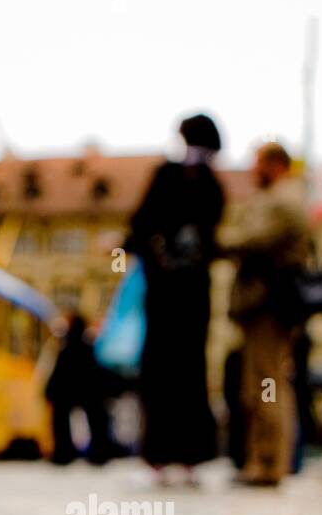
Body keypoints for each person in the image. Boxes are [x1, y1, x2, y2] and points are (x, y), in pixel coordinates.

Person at [126, 114, 225, 484]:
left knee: (168, 374)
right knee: (183, 374)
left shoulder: (174, 178)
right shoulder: (209, 183)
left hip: (173, 293)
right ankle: (183, 459)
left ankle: (166, 458)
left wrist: (128, 247)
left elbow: (141, 225)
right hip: (187, 294)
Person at [222, 142, 312, 485]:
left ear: (274, 164)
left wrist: (221, 240)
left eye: (257, 163)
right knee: (262, 384)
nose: (251, 170)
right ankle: (262, 460)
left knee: (267, 385)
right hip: (265, 305)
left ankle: (270, 463)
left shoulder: (283, 199)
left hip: (268, 305)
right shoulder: (283, 196)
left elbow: (253, 239)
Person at [44, 311, 111, 465]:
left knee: (60, 417)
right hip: (88, 391)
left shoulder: (65, 349)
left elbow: (58, 374)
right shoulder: (90, 348)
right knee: (97, 418)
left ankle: (63, 452)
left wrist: (49, 391)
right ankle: (100, 453)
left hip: (67, 392)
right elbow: (97, 373)